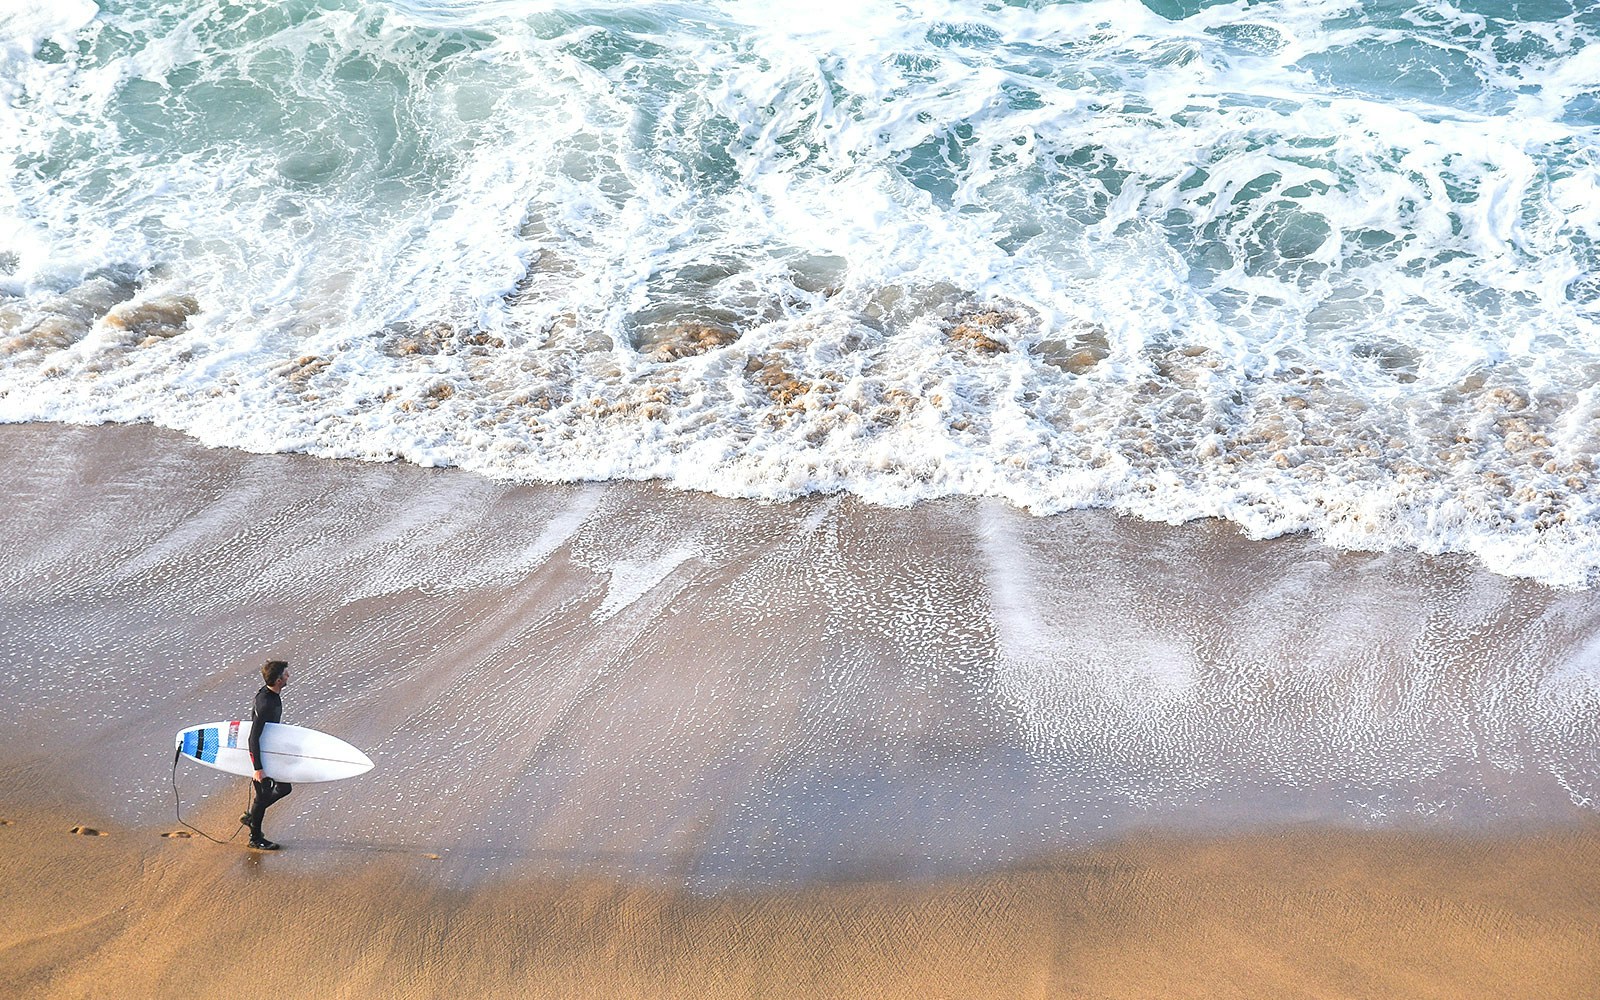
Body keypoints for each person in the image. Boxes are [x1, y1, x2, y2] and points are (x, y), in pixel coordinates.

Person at [243, 659, 293, 850]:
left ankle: (252, 818)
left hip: (270, 751)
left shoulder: (271, 695)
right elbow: (253, 737)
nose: (289, 676)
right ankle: (255, 838)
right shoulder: (265, 703)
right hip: (262, 755)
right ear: (279, 680)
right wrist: (258, 768)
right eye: (286, 674)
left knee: (283, 788)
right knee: (263, 797)